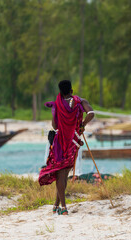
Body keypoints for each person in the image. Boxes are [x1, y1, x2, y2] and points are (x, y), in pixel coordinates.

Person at [38, 80, 94, 215]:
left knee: (61, 174)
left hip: (59, 143)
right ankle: (60, 206)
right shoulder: (80, 101)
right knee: (63, 174)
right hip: (73, 143)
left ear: (60, 92)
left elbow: (55, 126)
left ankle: (60, 206)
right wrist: (83, 124)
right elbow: (91, 113)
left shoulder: (57, 104)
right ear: (71, 90)